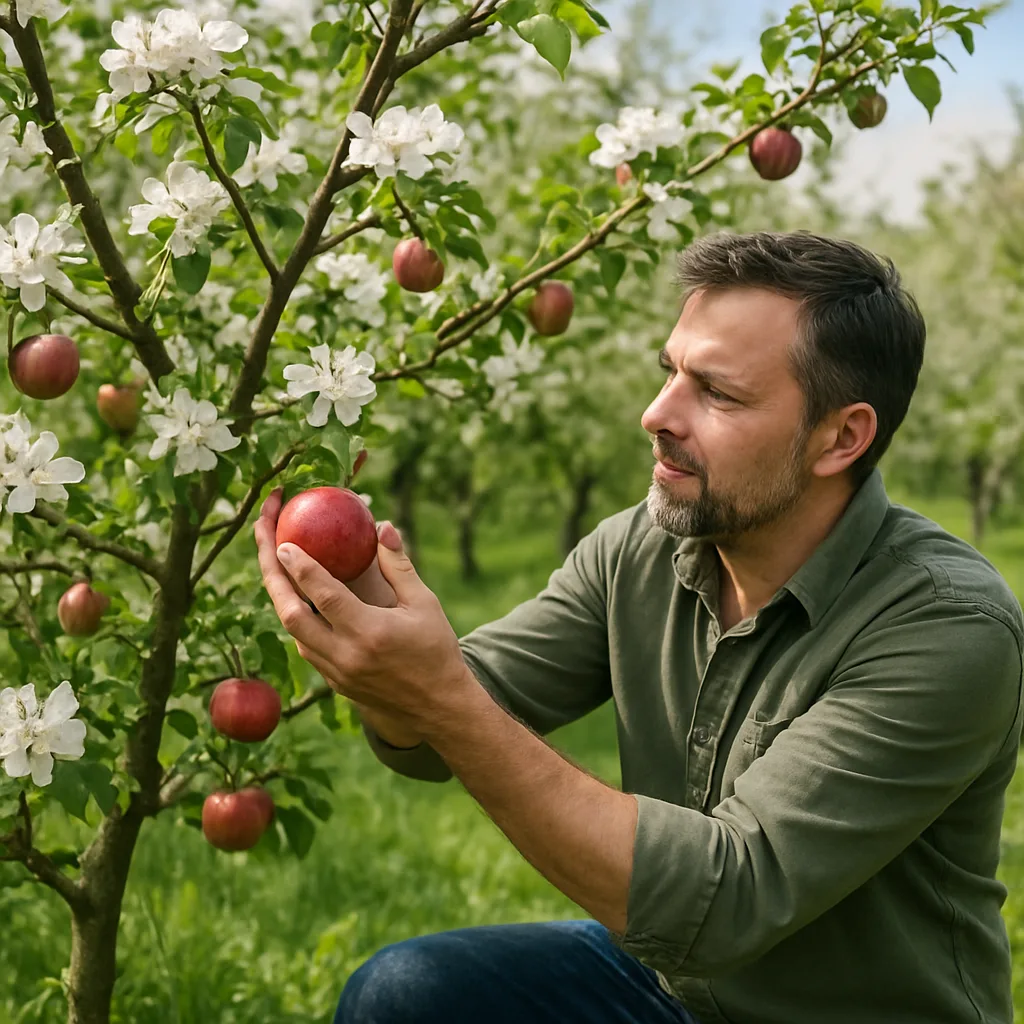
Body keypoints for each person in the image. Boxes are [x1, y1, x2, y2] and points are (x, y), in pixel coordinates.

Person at [254, 231, 1024, 1024]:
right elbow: (440, 721)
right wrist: (370, 622)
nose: (656, 414)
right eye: (670, 372)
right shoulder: (642, 548)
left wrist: (438, 696)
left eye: (716, 393)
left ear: (842, 438)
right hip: (674, 990)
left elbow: (729, 902)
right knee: (405, 995)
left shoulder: (947, 627)